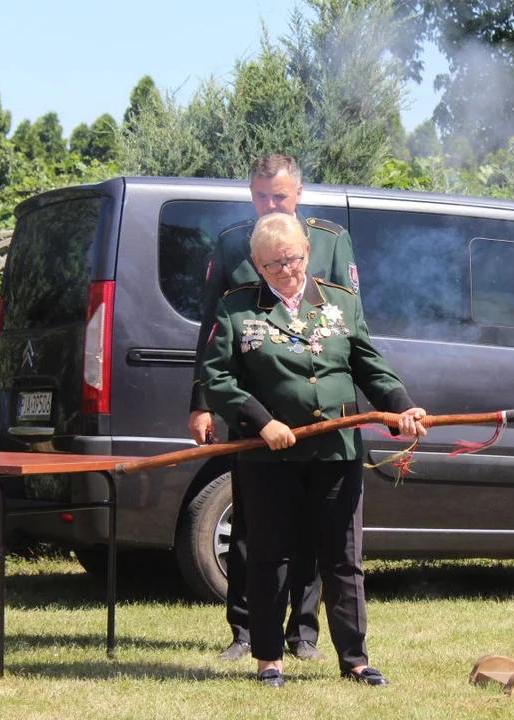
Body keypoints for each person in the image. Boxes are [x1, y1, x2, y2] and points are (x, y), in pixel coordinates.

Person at [201, 213, 426, 687]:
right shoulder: (236, 309)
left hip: (336, 453)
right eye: (275, 264)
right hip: (269, 458)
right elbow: (216, 380)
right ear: (257, 266)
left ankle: (355, 659)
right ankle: (268, 659)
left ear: (307, 251)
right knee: (270, 555)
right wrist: (262, 422)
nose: (288, 270)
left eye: (294, 259)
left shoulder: (340, 301)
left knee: (342, 558)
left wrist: (402, 406)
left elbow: (368, 364)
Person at [188, 154, 361, 662]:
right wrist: (202, 404)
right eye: (261, 195)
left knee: (313, 528)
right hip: (257, 411)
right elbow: (212, 329)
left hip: (319, 416)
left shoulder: (330, 240)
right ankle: (245, 630)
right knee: (253, 526)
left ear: (298, 194)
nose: (269, 205)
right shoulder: (233, 241)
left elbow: (348, 323)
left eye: (279, 196)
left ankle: (302, 632)